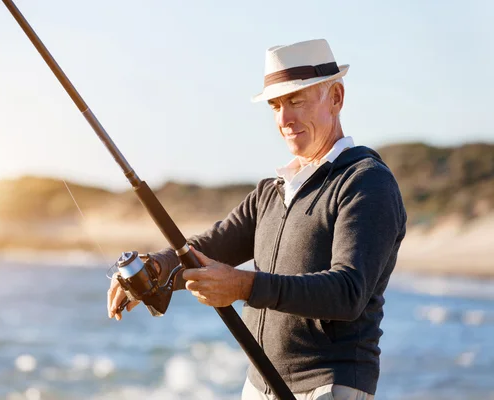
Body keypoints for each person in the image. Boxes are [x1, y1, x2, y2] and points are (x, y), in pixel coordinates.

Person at [107, 39, 406, 400]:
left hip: (329, 386)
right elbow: (209, 246)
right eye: (276, 105)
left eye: (296, 100)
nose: (284, 119)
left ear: (336, 98)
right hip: (259, 383)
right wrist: (155, 268)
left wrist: (244, 286)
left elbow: (348, 292)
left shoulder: (366, 181)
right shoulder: (273, 190)